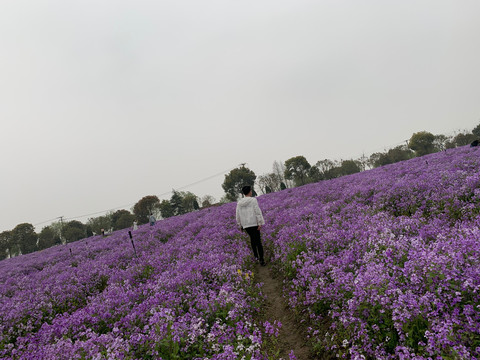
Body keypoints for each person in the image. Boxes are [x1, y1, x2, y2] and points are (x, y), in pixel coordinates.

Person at [236, 185, 266, 266]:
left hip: (246, 225)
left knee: (252, 240)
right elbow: (257, 211)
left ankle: (256, 257)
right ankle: (262, 260)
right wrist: (260, 223)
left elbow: (237, 215)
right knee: (258, 242)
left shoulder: (239, 203)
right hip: (254, 223)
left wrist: (240, 225)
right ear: (250, 191)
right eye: (251, 190)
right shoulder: (253, 200)